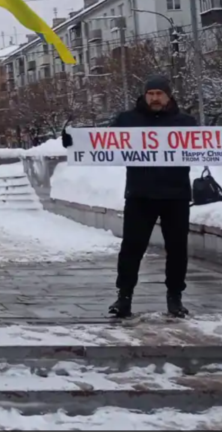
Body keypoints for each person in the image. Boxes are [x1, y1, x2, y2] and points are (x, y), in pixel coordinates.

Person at [64, 75, 197, 319]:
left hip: (175, 195)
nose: (155, 98)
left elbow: (203, 149)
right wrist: (73, 142)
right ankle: (124, 297)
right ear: (145, 95)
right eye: (151, 93)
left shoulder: (185, 122)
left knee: (177, 249)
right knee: (131, 248)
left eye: (160, 93)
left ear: (169, 96)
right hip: (140, 195)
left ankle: (175, 297)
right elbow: (102, 145)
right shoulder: (128, 120)